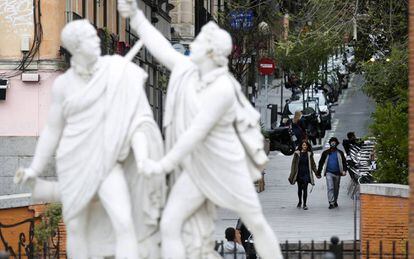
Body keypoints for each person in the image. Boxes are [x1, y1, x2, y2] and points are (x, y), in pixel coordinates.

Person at [118, 1, 283, 259]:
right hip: (197, 168)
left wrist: (162, 165)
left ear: (210, 52)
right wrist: (137, 17)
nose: (192, 43)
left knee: (256, 223)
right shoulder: (188, 71)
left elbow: (195, 133)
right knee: (170, 225)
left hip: (224, 166)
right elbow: (161, 48)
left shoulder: (222, 89)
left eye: (199, 41)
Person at [13, 20, 165, 258]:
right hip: (74, 160)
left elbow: (135, 120)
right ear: (76, 46)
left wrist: (144, 156)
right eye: (91, 40)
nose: (97, 43)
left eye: (96, 38)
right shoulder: (63, 85)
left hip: (107, 160)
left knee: (124, 221)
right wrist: (35, 167)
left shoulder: (115, 71)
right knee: (76, 227)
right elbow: (53, 130)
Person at [317, 137, 348, 209]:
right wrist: (319, 172)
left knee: (336, 188)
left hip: (338, 173)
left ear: (336, 143)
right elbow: (321, 163)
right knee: (330, 187)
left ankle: (335, 201)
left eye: (334, 142)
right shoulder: (326, 153)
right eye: (332, 142)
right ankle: (331, 202)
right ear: (330, 143)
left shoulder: (340, 153)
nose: (333, 143)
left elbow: (344, 163)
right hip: (329, 173)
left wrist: (344, 170)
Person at [289, 141, 318, 210]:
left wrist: (317, 173)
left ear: (307, 146)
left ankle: (305, 204)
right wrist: (292, 175)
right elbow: (293, 165)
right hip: (299, 173)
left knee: (305, 189)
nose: (304, 146)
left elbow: (313, 164)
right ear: (301, 146)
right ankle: (300, 201)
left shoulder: (309, 154)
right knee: (299, 189)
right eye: (303, 145)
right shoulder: (297, 154)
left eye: (306, 145)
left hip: (306, 173)